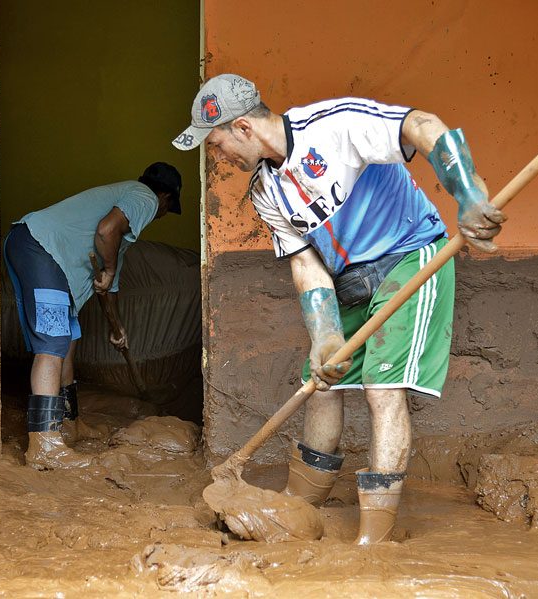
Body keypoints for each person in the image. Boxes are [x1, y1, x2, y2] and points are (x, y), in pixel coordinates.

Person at [173, 74, 505, 544]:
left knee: (381, 387)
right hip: (349, 281)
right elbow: (307, 266)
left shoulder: (334, 126)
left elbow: (422, 125)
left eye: (217, 142)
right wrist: (326, 335)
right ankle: (300, 506)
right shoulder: (267, 191)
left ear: (244, 128)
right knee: (322, 381)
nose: (218, 155)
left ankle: (375, 536)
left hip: (409, 254)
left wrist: (468, 195)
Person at [4, 162, 183, 470]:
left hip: (44, 256)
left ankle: (70, 424)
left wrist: (117, 327)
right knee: (54, 342)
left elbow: (106, 287)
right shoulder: (144, 197)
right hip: (40, 249)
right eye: (167, 207)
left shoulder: (121, 239)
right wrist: (109, 269)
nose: (161, 213)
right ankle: (44, 444)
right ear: (165, 197)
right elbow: (106, 230)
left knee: (70, 337)